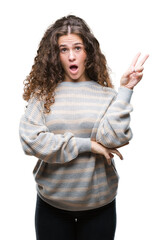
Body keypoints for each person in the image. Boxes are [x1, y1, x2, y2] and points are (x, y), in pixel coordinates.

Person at [19, 15, 149, 240]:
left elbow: (113, 138)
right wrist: (88, 145)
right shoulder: (42, 96)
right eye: (63, 49)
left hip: (100, 207)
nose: (71, 55)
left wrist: (126, 90)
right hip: (52, 206)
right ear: (55, 54)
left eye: (77, 48)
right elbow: (31, 140)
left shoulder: (107, 96)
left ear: (88, 51)